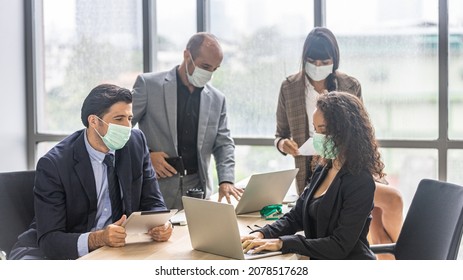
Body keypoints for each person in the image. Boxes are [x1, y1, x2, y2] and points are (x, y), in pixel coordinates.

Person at [274, 27, 403, 258]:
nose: (318, 65)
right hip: (317, 171)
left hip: (349, 168)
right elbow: (280, 134)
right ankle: (393, 256)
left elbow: (359, 129)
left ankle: (404, 255)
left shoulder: (349, 85)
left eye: (325, 60)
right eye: (312, 60)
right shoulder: (290, 87)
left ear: (335, 60)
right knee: (362, 226)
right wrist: (284, 144)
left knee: (386, 206)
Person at [9, 84, 172, 260]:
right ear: (93, 121)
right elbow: (50, 240)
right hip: (58, 251)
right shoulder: (54, 164)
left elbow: (154, 203)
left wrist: (161, 225)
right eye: (119, 119)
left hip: (114, 249)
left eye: (130, 118)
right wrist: (98, 238)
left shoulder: (136, 142)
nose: (127, 127)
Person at [242, 91, 382, 259]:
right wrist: (263, 234)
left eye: (322, 130)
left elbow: (339, 246)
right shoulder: (324, 168)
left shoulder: (360, 182)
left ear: (346, 131)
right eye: (315, 130)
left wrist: (283, 243)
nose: (317, 137)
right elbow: (296, 216)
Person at [132, 32, 242, 209]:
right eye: (205, 66)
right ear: (186, 55)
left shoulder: (217, 99)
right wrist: (146, 155)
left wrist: (226, 180)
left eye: (214, 69)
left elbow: (224, 144)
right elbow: (122, 129)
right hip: (155, 188)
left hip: (198, 191)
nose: (209, 74)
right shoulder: (148, 85)